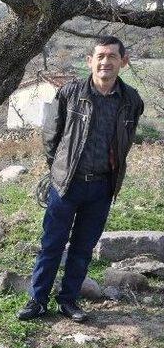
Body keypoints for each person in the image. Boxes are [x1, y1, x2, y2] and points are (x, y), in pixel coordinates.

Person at [18, 36, 144, 322]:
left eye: (112, 56)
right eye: (100, 56)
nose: (105, 62)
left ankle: (68, 301)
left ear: (123, 62)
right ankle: (37, 301)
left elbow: (126, 138)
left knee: (83, 247)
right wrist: (57, 168)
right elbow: (51, 134)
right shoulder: (70, 93)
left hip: (102, 186)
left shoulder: (132, 100)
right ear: (90, 61)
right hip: (67, 184)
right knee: (52, 243)